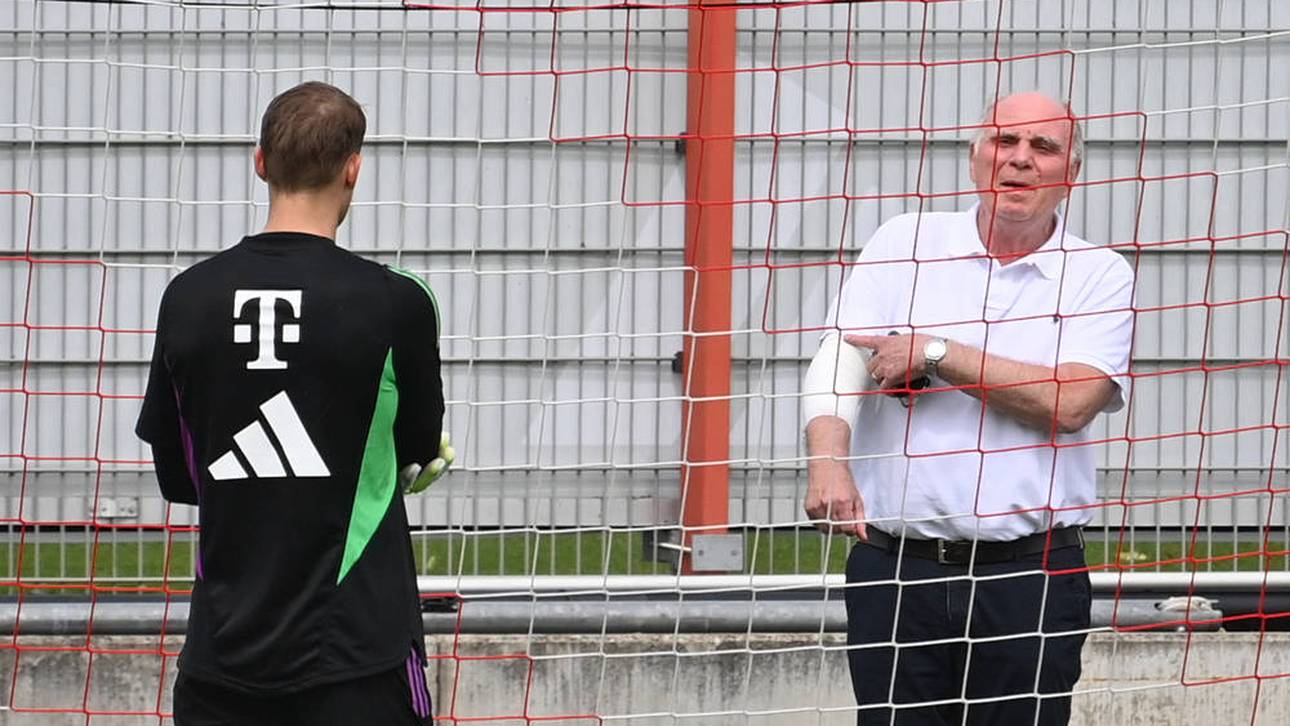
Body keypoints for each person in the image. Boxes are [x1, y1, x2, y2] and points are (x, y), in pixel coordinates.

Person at [801, 91, 1134, 725]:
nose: (1020, 159)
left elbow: (1071, 402)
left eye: (1043, 146)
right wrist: (828, 463)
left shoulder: (1098, 274)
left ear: (1071, 173)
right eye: (1005, 141)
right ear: (976, 157)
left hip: (1030, 577)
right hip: (896, 570)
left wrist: (935, 353)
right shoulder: (905, 241)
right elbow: (841, 355)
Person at [136, 81, 451, 726]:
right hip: (358, 657)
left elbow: (179, 476)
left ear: (260, 163)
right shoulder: (398, 300)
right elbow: (420, 450)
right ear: (353, 168)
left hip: (223, 661)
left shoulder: (187, 297)